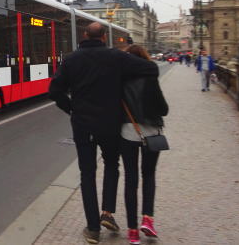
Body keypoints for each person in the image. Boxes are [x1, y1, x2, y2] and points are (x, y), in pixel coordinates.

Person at [49, 22, 159, 244]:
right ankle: (107, 212)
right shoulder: (116, 57)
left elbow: (54, 91)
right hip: (110, 123)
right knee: (111, 165)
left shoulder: (71, 59)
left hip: (83, 125)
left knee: (87, 174)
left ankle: (93, 229)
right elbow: (151, 69)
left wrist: (71, 109)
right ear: (104, 38)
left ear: (85, 35)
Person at [120, 45, 169, 245]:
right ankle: (147, 219)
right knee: (148, 175)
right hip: (150, 132)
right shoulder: (150, 76)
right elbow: (163, 109)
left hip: (127, 132)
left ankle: (132, 231)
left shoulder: (120, 78)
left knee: (130, 179)